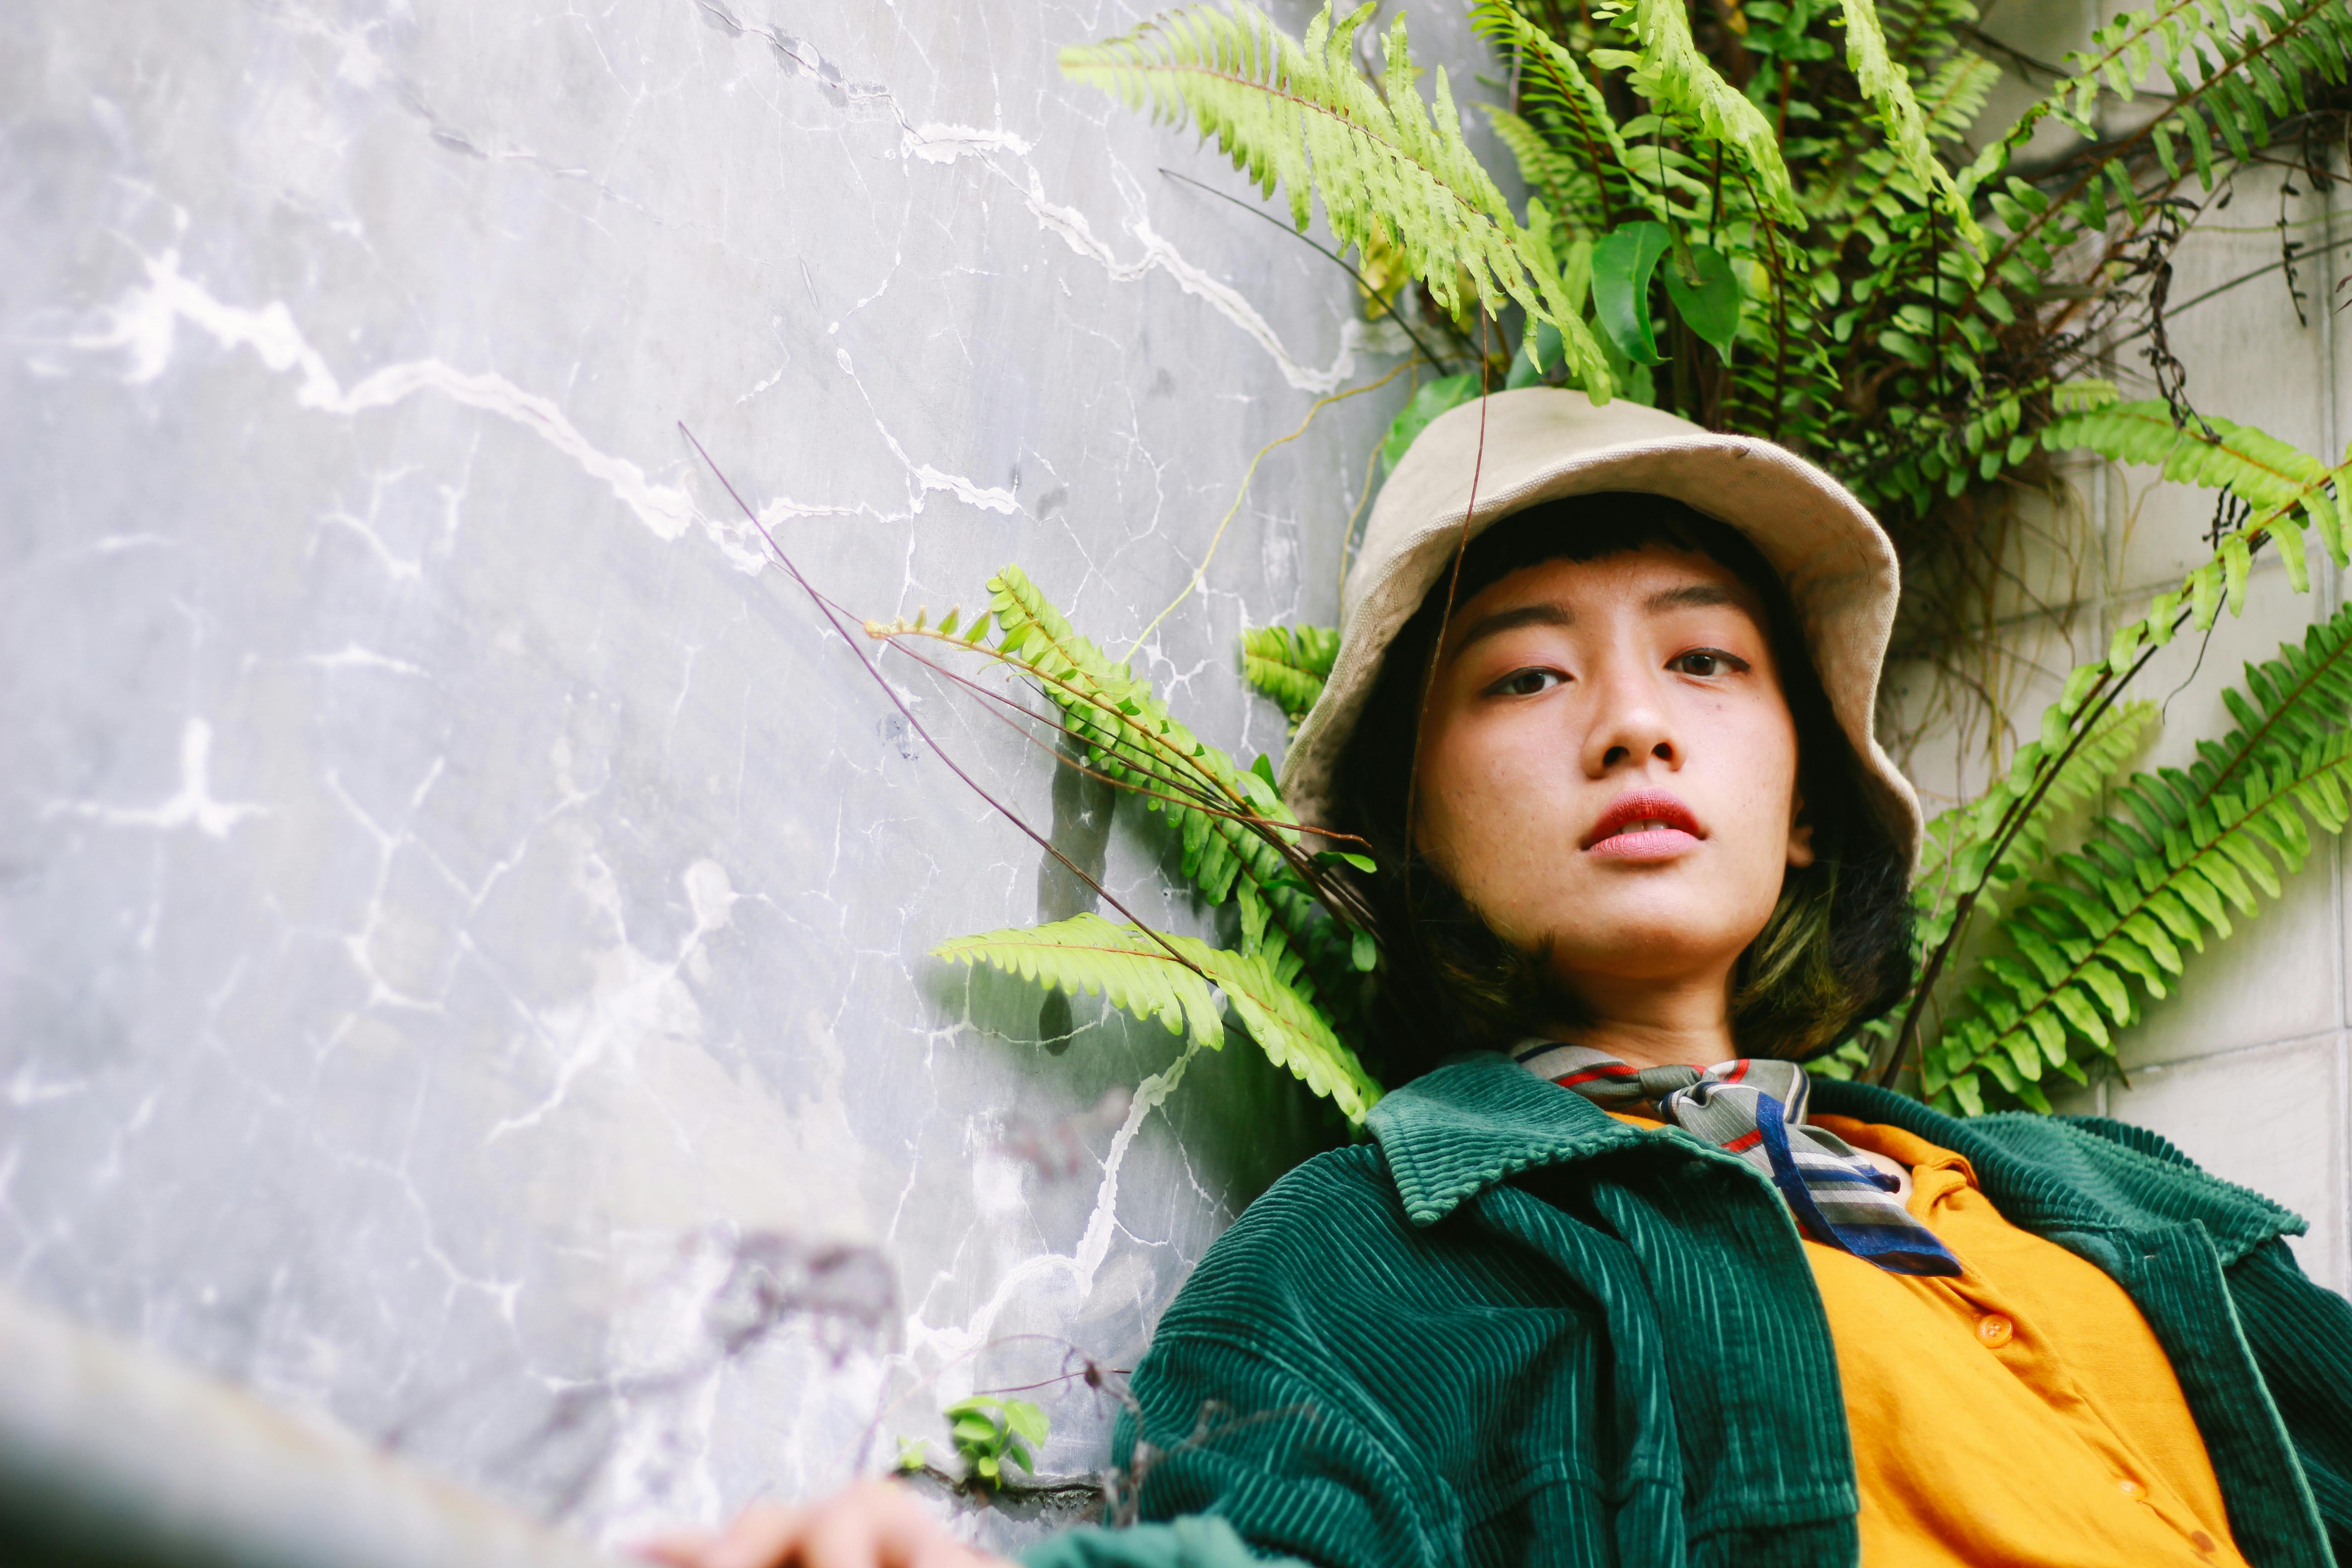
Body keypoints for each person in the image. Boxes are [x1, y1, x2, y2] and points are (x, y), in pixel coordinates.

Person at [644, 390, 2352, 1568]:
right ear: (1413, 833)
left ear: (1812, 811)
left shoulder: (2114, 1202)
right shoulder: (1384, 1247)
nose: (1632, 720)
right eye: (1527, 681)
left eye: (1706, 660)